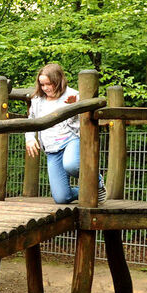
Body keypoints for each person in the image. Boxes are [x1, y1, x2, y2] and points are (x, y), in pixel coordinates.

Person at [24, 62, 106, 205]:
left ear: (58, 80)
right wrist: (30, 138)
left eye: (49, 84)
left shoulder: (73, 95)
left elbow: (88, 115)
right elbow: (31, 120)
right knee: (62, 198)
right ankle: (90, 189)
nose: (45, 88)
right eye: (42, 85)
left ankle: (97, 180)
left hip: (71, 139)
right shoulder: (37, 100)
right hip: (51, 148)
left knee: (72, 165)